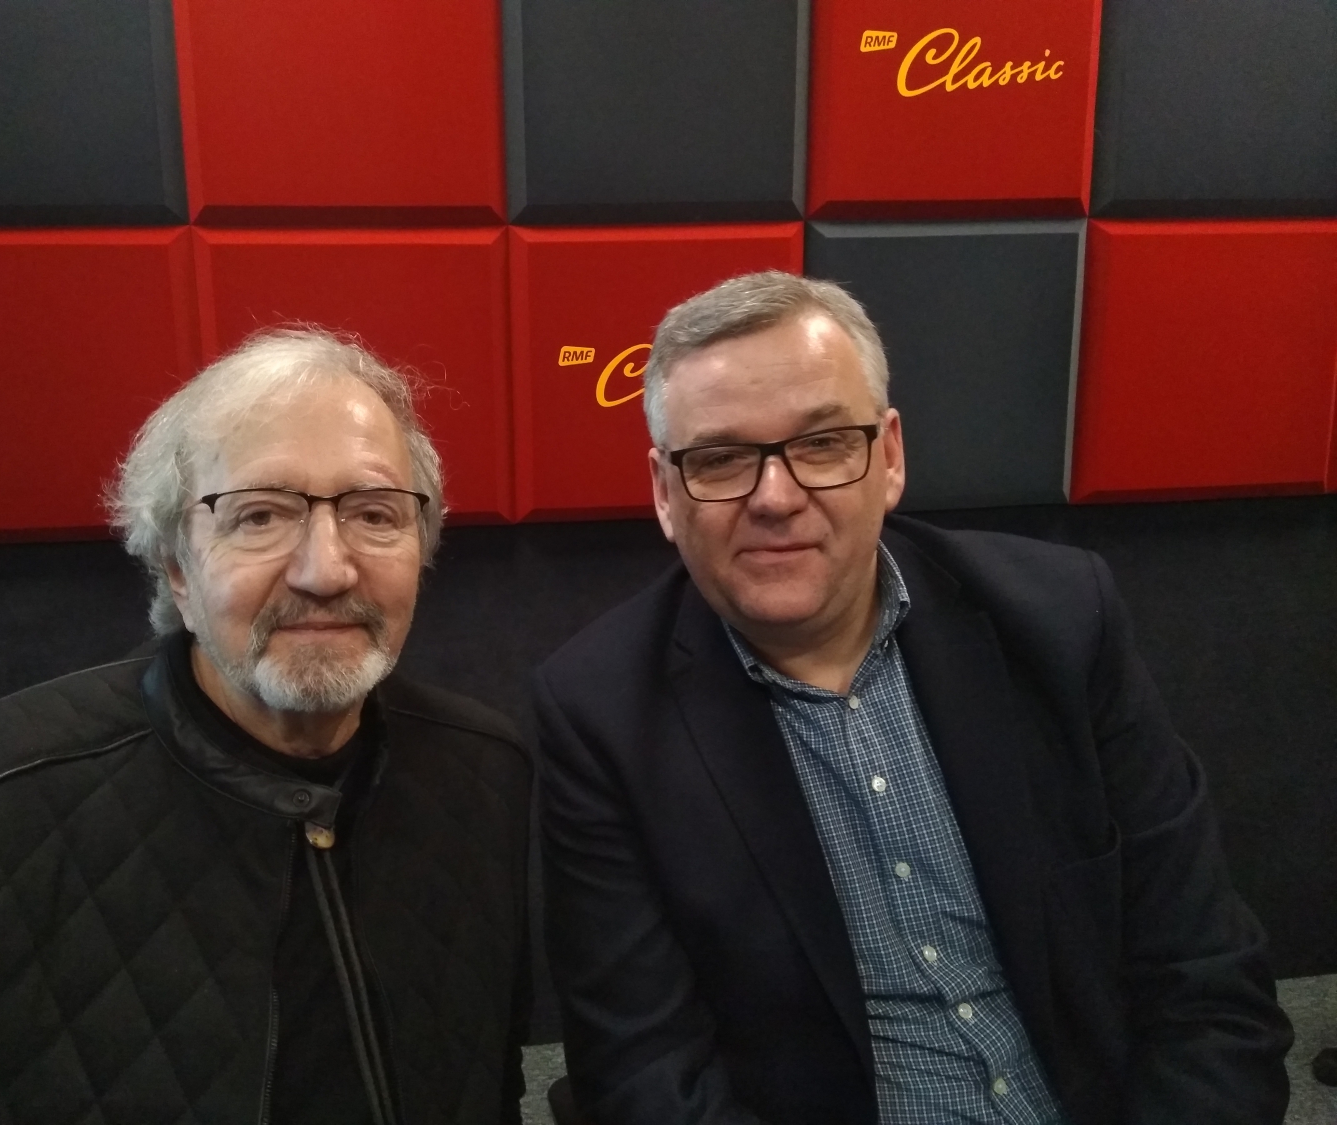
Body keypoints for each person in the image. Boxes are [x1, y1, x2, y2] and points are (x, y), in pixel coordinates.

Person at [534, 272, 1292, 1125]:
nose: (775, 497)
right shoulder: (601, 715)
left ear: (888, 456)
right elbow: (648, 1073)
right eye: (720, 459)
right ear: (665, 493)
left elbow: (1206, 979)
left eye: (823, 443)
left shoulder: (1060, 621)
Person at [0, 328, 533, 1125]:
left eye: (374, 513)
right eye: (260, 515)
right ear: (176, 566)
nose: (326, 570)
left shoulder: (487, 776)